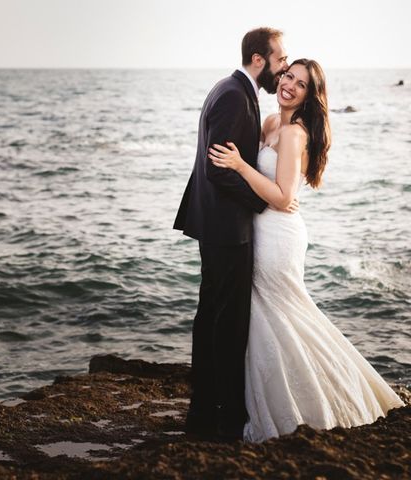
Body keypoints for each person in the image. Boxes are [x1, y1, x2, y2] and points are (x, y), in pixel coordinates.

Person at [208, 58, 405, 442]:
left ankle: (316, 400)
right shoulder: (269, 123)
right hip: (258, 228)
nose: (289, 85)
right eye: (288, 76)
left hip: (278, 236)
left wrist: (238, 165)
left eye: (300, 84)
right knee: (266, 319)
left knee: (282, 316)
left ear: (310, 96)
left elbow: (282, 198)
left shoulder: (295, 133)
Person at [173, 27, 291, 440]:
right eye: (280, 60)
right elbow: (215, 167)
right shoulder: (233, 96)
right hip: (228, 229)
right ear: (259, 59)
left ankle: (205, 412)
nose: (283, 68)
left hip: (222, 226)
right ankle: (219, 417)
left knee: (214, 319)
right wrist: (267, 202)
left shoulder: (233, 91)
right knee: (226, 325)